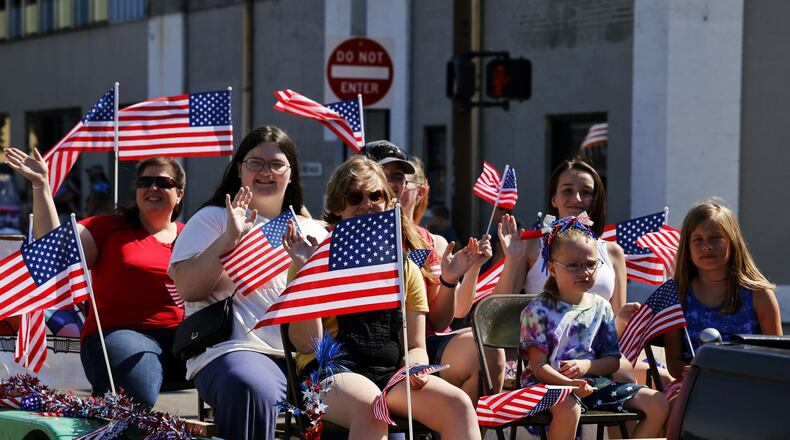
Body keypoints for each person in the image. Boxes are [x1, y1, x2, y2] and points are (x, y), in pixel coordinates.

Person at [287, 155, 481, 440]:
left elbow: (415, 344)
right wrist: (309, 277)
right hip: (326, 378)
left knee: (458, 405)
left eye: (376, 195)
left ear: (389, 202)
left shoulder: (404, 267)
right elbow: (306, 343)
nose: (366, 204)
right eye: (355, 197)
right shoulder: (312, 261)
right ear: (338, 208)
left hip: (390, 374)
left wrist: (416, 366)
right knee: (372, 408)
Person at [168, 126, 327, 440]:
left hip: (306, 358)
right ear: (239, 168)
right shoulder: (212, 219)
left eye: (276, 164)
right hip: (233, 350)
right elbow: (188, 289)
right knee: (248, 383)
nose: (266, 171)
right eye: (255, 162)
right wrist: (230, 238)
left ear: (291, 173)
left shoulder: (316, 231)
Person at [5, 147, 187, 408]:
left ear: (179, 193)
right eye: (144, 182)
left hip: (180, 339)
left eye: (163, 182)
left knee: (233, 375)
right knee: (134, 401)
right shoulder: (108, 228)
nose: (153, 188)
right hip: (120, 335)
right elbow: (57, 249)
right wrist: (41, 186)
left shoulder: (191, 234)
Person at [495, 159, 671, 386]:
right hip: (548, 357)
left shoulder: (613, 252)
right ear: (553, 198)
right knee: (625, 381)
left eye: (586, 192)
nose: (577, 198)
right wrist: (512, 259)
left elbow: (612, 335)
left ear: (594, 200)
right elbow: (499, 309)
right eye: (567, 190)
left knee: (663, 380)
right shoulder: (532, 247)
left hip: (596, 357)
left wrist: (624, 318)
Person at [360, 142, 502, 401]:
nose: (392, 183)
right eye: (383, 175)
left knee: (487, 348)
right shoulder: (341, 237)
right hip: (363, 355)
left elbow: (440, 321)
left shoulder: (425, 240)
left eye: (398, 177)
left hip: (419, 349)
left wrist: (449, 281)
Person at [520, 216, 668, 439]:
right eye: (573, 266)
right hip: (547, 387)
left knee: (657, 403)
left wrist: (586, 366)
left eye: (590, 264)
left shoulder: (601, 307)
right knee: (569, 408)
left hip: (593, 385)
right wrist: (569, 383)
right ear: (552, 269)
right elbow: (539, 366)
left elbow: (612, 361)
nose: (584, 272)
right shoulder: (537, 310)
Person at [664, 201, 782, 380]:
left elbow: (777, 359)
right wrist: (692, 370)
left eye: (715, 238)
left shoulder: (760, 295)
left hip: (752, 385)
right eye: (698, 239)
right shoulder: (676, 295)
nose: (706, 246)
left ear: (732, 242)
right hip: (694, 386)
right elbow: (673, 362)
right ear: (687, 248)